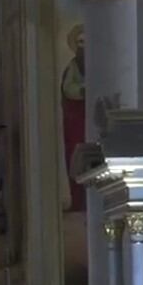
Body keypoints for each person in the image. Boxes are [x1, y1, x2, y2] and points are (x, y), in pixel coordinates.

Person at [59, 24, 86, 212]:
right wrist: (84, 90)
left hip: (90, 117)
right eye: (80, 42)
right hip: (76, 119)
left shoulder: (98, 62)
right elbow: (68, 88)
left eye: (85, 42)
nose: (83, 46)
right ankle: (77, 200)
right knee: (75, 157)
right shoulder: (73, 66)